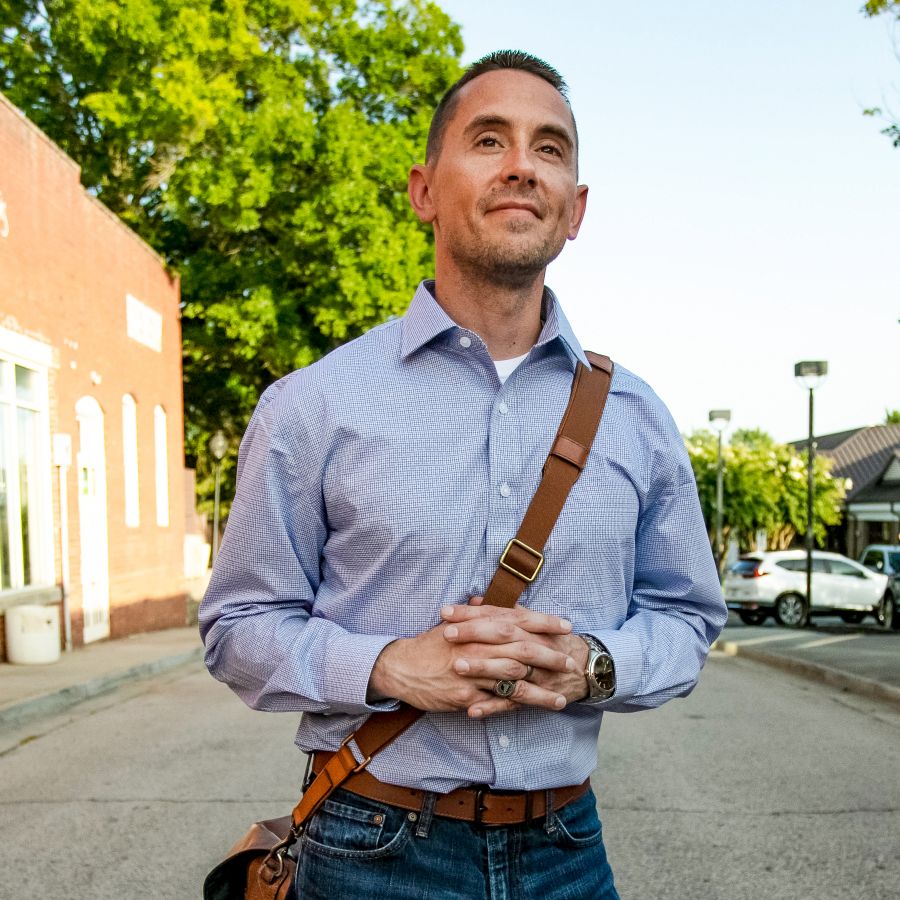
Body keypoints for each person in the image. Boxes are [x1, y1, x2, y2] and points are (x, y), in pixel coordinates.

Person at [200, 49, 726, 900]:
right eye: (490, 140)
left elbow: (687, 619)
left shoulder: (638, 416)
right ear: (422, 191)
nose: (523, 165)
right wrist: (385, 668)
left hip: (569, 850)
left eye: (550, 149)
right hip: (368, 848)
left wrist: (592, 664)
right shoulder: (313, 404)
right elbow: (238, 625)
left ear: (576, 208)